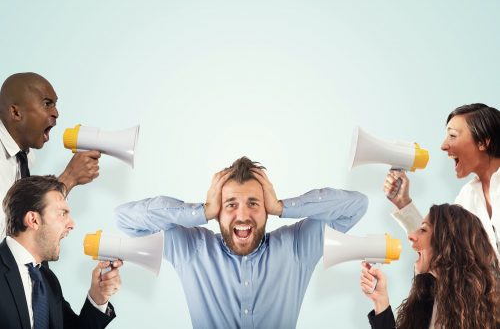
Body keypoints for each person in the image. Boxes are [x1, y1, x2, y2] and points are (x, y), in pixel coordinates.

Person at [115, 156, 368, 328]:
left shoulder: (297, 248)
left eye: (254, 203)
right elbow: (126, 219)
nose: (243, 215)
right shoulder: (191, 250)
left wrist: (282, 207)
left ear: (266, 208)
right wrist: (200, 211)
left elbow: (356, 206)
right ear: (218, 213)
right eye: (231, 205)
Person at [0, 175, 122, 328]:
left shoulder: (48, 280)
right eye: (62, 213)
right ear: (33, 220)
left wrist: (98, 297)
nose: (71, 224)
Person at [384, 103, 500, 255]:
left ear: (483, 142)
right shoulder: (467, 198)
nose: (443, 145)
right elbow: (442, 250)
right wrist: (403, 202)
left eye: (452, 136)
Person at [360, 203, 499, 329]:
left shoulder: (490, 314)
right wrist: (380, 300)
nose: (411, 236)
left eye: (423, 230)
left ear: (447, 244)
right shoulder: (427, 300)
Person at [0, 72, 101, 238]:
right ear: (16, 112)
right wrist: (68, 179)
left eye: (55, 104)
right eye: (47, 104)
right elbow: (8, 236)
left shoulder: (25, 156)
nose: (56, 113)